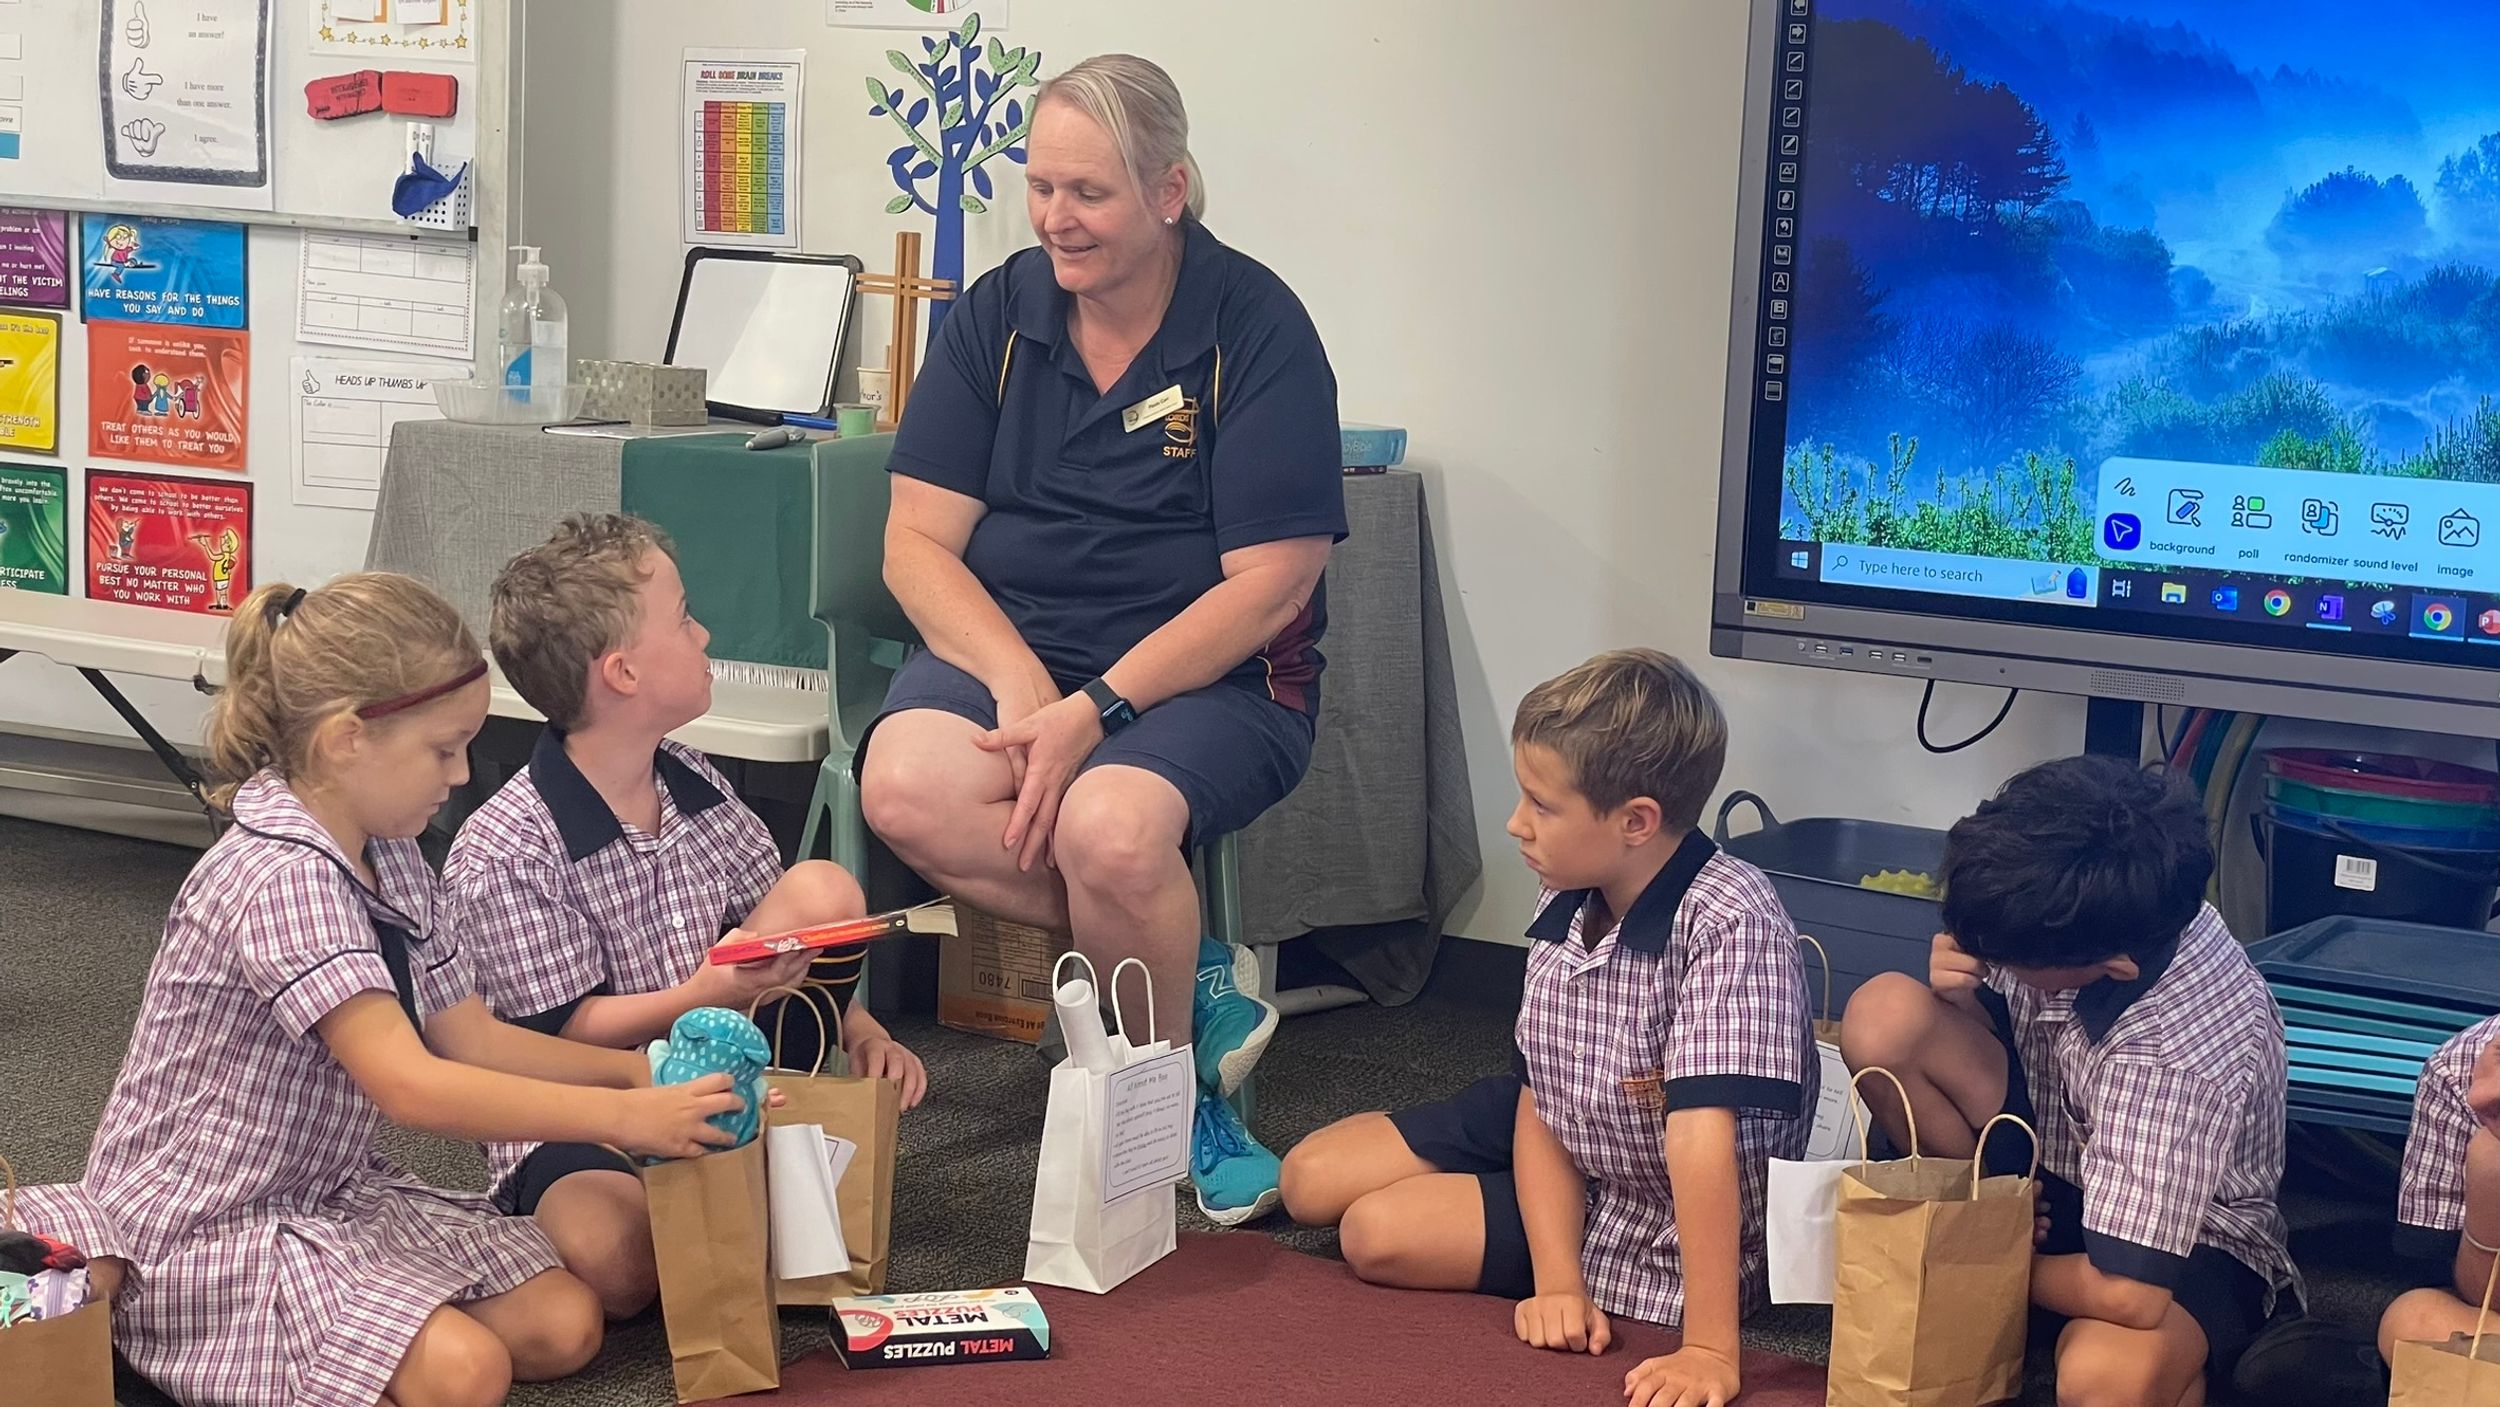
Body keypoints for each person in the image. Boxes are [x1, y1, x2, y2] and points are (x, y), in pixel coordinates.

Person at [40, 573, 743, 1407]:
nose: (461, 772)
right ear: (347, 739)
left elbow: (472, 1037)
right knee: (467, 1372)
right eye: (444, 749)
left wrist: (633, 1072)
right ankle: (128, 1328)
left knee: (564, 1323)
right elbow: (411, 1086)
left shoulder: (392, 850)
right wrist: (625, 1117)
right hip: (207, 1217)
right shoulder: (281, 876)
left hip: (324, 1189)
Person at [857, 53, 1345, 1222]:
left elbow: (1273, 585)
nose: (1055, 219)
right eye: (1040, 187)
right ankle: (1189, 974)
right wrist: (1019, 679)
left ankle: (1174, 1104)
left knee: (1113, 831)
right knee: (904, 788)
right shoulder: (999, 316)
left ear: (1169, 191)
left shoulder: (1254, 326)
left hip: (1213, 679)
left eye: (1089, 193)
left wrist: (1096, 711)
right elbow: (914, 544)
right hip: (1023, 651)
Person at [1280, 650, 1815, 1407]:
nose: (1515, 823)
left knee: (1374, 1233)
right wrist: (1557, 1279)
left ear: (1636, 822)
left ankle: (1504, 1207)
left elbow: (1702, 1144)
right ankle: (1505, 1201)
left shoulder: (1732, 920)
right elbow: (1541, 1094)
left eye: (1541, 804)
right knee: (1305, 1182)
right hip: (1568, 1119)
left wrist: (1707, 1349)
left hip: (1657, 1193)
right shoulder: (1571, 879)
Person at [442, 513, 927, 1319]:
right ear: (623, 672)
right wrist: (699, 994)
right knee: (616, 1258)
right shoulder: (507, 850)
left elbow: (793, 938)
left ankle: (748, 1179)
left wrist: (863, 1030)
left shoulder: (695, 781)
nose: (704, 635)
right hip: (582, 1112)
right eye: (684, 617)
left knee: (825, 890)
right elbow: (555, 1039)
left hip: (726, 1075)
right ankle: (735, 1206)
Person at [1840, 755, 2302, 1405]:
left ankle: (2167, 1361)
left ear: (2111, 966)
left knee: (2105, 1375)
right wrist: (1964, 992)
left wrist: (1974, 1254)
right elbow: (2002, 1020)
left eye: (2008, 960)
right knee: (1884, 1016)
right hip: (2060, 1156)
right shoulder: (2112, 899)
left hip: (2180, 1243)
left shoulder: (2170, 1057)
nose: (1989, 959)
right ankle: (1982, 1217)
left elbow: (2133, 1296)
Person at [2379, 1015, 2500, 1358]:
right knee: (2413, 1321)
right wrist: (2488, 1182)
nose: (2479, 1098)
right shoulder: (2457, 1065)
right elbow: (2482, 1300)